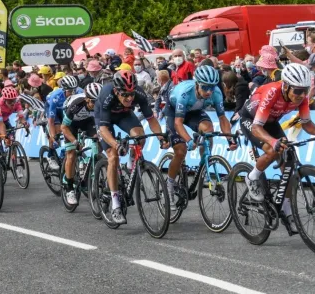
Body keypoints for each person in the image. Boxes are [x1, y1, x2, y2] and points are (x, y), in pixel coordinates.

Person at [239, 64, 315, 231]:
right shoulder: (272, 92)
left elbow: (306, 123)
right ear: (286, 86)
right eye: (297, 91)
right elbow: (256, 128)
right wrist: (273, 142)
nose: (302, 95)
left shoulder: (301, 97)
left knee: (288, 163)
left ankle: (286, 210)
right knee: (272, 149)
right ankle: (252, 177)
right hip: (251, 121)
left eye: (305, 90)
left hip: (272, 122)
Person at [95, 70, 168, 224]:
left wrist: (161, 137)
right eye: (125, 95)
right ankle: (115, 205)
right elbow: (103, 129)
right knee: (113, 156)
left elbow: (151, 120)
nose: (129, 98)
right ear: (116, 91)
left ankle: (130, 166)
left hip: (124, 115)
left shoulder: (139, 94)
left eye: (131, 94)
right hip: (104, 119)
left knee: (140, 136)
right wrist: (116, 144)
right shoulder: (106, 95)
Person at [164, 65, 237, 210]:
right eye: (205, 87)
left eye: (211, 87)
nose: (209, 91)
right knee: (180, 150)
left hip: (194, 112)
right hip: (174, 112)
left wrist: (230, 139)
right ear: (197, 84)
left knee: (209, 130)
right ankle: (169, 186)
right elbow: (178, 123)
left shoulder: (216, 93)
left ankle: (205, 161)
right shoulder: (185, 93)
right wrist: (189, 140)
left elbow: (222, 118)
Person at [61, 83, 102, 205]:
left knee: (97, 140)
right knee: (72, 153)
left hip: (88, 121)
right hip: (71, 123)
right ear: (87, 99)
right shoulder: (77, 105)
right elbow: (64, 127)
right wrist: (74, 141)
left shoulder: (98, 105)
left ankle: (92, 169)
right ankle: (69, 187)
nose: (96, 106)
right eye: (94, 103)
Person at [45, 76, 84, 170]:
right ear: (63, 90)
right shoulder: (56, 96)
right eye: (70, 91)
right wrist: (54, 137)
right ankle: (50, 156)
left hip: (67, 108)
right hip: (55, 108)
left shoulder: (80, 92)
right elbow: (51, 120)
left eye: (74, 91)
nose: (72, 94)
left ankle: (66, 150)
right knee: (57, 131)